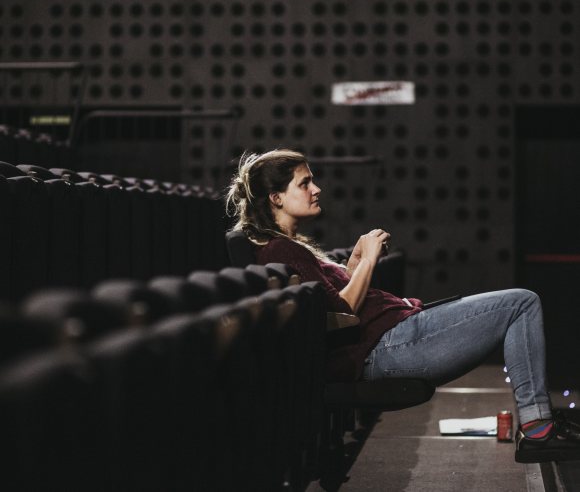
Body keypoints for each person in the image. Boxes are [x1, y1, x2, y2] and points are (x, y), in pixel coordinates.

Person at [226, 148, 580, 463]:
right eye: (305, 183)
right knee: (522, 303)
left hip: (398, 333)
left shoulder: (290, 247)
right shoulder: (280, 251)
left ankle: (537, 425)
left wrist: (355, 260)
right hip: (390, 345)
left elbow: (336, 298)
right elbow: (342, 313)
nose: (316, 189)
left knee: (519, 303)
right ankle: (537, 430)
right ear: (276, 197)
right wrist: (370, 262)